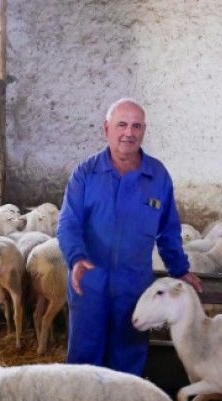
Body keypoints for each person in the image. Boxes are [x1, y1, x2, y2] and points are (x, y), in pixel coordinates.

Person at [56, 98, 202, 376]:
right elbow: (68, 224)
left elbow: (169, 229)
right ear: (106, 129)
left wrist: (179, 270)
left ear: (144, 130)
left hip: (134, 285)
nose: (128, 133)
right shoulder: (85, 174)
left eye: (136, 126)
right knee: (84, 359)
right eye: (121, 125)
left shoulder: (157, 175)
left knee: (129, 358)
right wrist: (75, 259)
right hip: (89, 282)